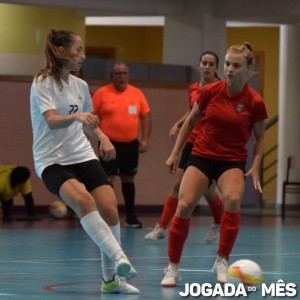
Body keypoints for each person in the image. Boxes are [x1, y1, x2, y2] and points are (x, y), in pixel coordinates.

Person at [30, 29, 139, 295]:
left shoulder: (80, 86)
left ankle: (111, 281)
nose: (83, 56)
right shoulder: (42, 82)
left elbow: (90, 121)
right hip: (52, 160)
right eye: (78, 50)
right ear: (60, 51)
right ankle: (119, 257)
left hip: (82, 154)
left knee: (110, 209)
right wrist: (76, 118)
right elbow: (52, 121)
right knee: (83, 201)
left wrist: (102, 137)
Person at [161, 42, 268, 286]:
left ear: (248, 70)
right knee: (185, 204)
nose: (230, 69)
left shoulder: (255, 102)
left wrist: (257, 163)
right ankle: (173, 267)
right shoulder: (210, 91)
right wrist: (175, 153)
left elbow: (260, 137)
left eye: (236, 65)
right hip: (202, 155)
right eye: (228, 64)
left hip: (231, 161)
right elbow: (190, 121)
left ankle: (221, 260)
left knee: (232, 200)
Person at [144, 51, 223, 242]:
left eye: (210, 64)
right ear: (199, 65)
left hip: (210, 145)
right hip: (191, 141)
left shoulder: (220, 89)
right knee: (178, 185)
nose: (206, 66)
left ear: (216, 68)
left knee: (208, 190)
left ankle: (219, 225)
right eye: (203, 62)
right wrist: (180, 123)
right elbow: (192, 111)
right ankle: (162, 227)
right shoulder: (193, 88)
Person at [92, 61, 151, 228]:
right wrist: (101, 138)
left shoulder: (137, 93)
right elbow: (91, 118)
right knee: (107, 179)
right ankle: (106, 217)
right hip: (108, 144)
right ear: (111, 76)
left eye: (124, 73)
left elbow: (146, 116)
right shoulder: (101, 93)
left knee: (128, 179)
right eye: (118, 73)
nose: (122, 76)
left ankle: (131, 216)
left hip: (130, 145)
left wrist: (145, 139)